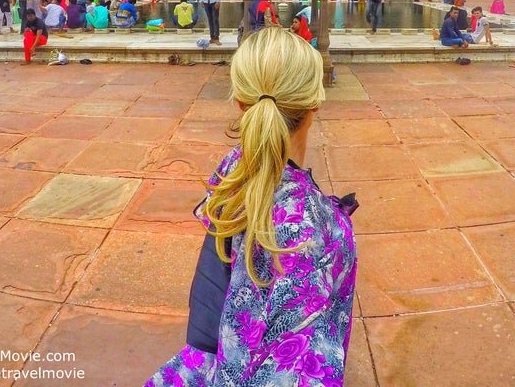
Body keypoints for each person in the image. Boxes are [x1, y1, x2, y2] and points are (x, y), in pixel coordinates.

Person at [143, 28, 357, 387]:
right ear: (315, 102)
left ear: (241, 103)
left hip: (213, 359)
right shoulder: (305, 231)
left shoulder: (235, 164)